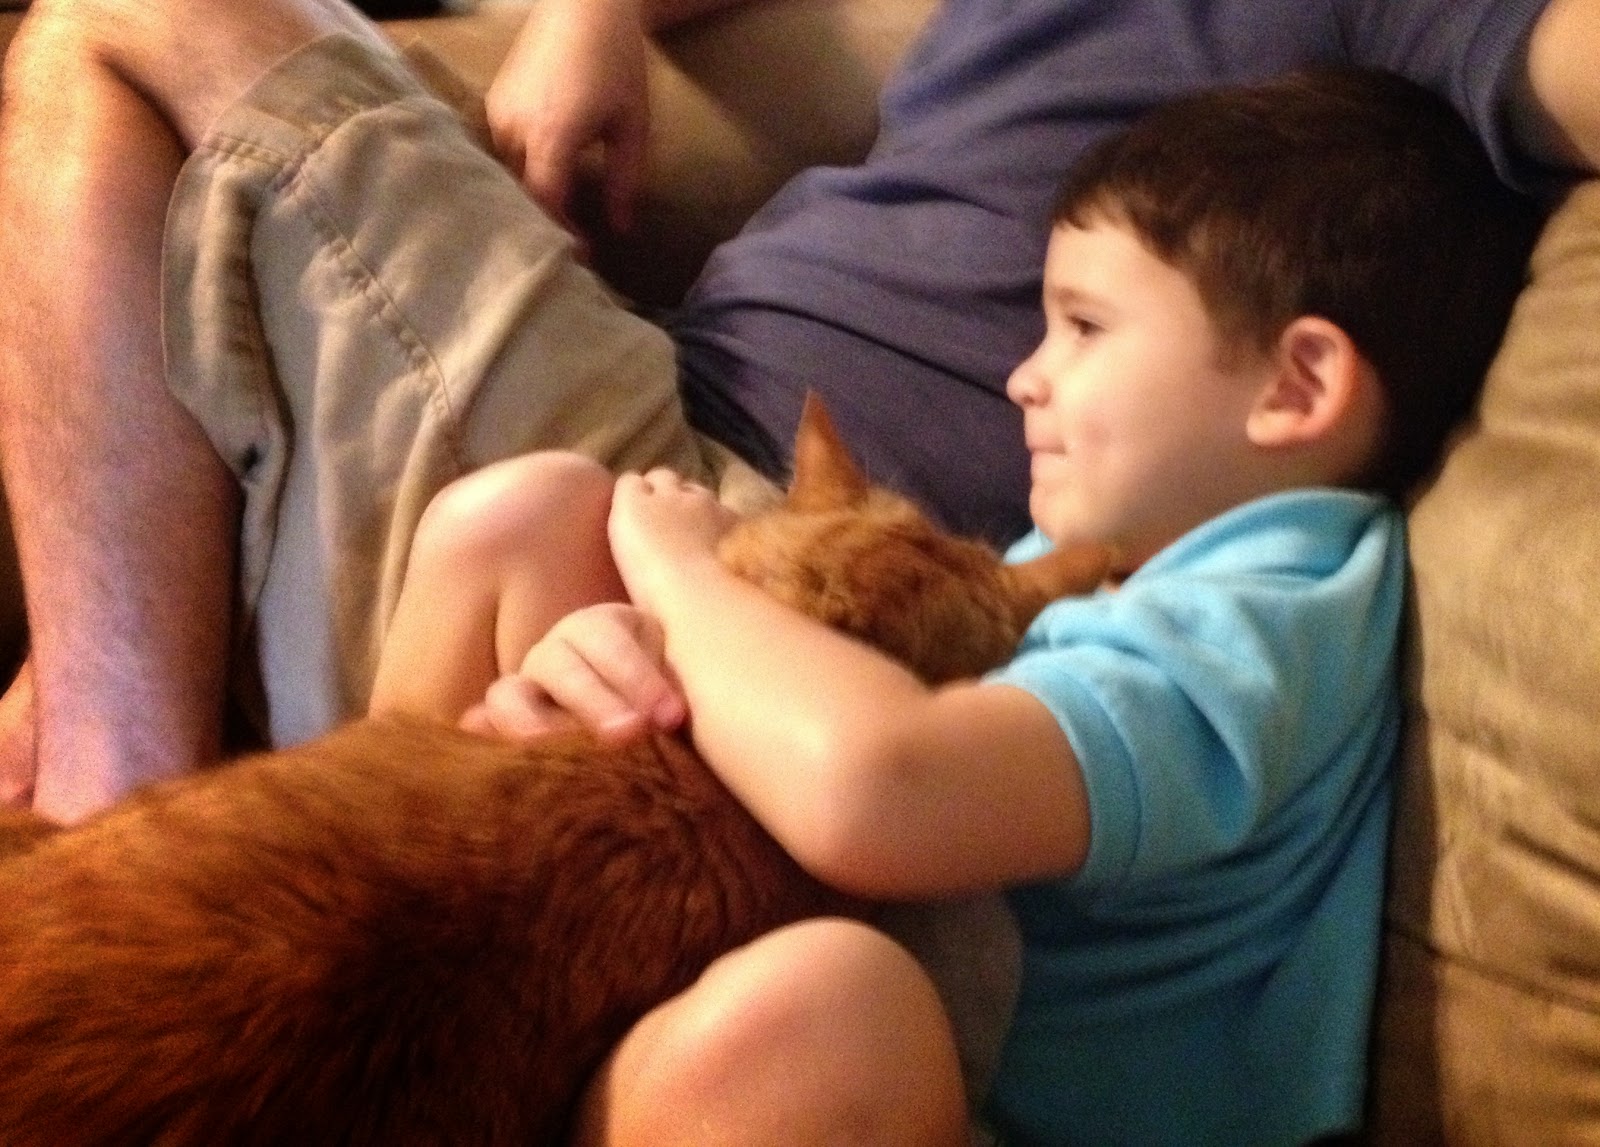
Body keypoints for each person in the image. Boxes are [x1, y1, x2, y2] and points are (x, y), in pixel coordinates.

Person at [0, 0, 1594, 827]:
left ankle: (105, 813)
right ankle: (122, 734)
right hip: (658, 408)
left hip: (788, 534)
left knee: (134, 18)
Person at [361, 67, 1540, 1143]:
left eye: (1083, 327)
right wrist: (606, 659)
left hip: (993, 1113)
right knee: (521, 518)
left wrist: (681, 580)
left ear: (1297, 384)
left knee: (828, 1011)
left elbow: (881, 788)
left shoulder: (1269, 614)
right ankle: (372, 958)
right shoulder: (1105, 555)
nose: (1025, 375)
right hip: (777, 979)